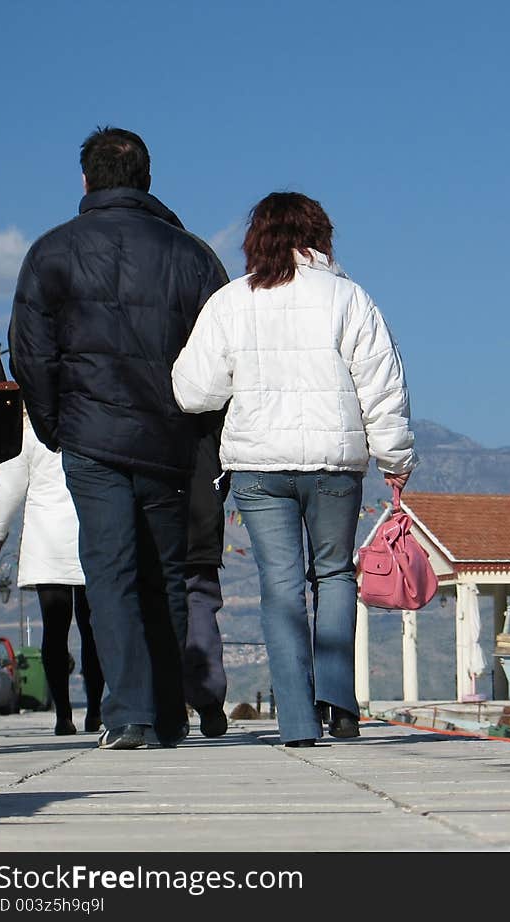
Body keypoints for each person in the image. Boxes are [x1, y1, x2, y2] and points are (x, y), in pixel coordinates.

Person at [9, 126, 228, 751]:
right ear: (148, 179)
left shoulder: (50, 252)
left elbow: (31, 353)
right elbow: (219, 357)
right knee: (166, 572)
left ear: (86, 180)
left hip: (91, 438)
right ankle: (166, 712)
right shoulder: (192, 256)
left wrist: (54, 426)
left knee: (111, 571)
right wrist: (202, 436)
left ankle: (127, 714)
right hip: (169, 438)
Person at [172, 191, 417, 747]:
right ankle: (340, 703)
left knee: (279, 588)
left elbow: (193, 391)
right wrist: (396, 459)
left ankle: (298, 721)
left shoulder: (230, 303)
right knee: (332, 576)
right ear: (321, 238)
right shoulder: (350, 299)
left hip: (258, 466)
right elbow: (382, 387)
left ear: (255, 239)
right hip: (334, 464)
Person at [0, 406, 105, 735]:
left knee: (54, 629)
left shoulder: (29, 430)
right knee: (92, 628)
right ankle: (95, 710)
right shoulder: (89, 419)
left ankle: (63, 715)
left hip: (47, 538)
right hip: (89, 532)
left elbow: (9, 486)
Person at [182, 415, 230, 737]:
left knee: (152, 605)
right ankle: (209, 699)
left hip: (152, 505)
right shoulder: (208, 383)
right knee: (200, 603)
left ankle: (162, 702)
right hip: (200, 508)